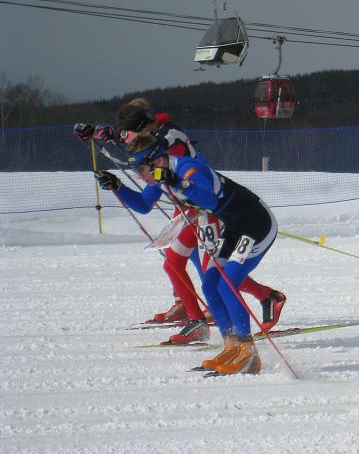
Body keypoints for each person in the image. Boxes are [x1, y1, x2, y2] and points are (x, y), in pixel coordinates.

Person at [76, 98, 285, 343]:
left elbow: (158, 164)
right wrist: (117, 183)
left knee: (213, 272)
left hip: (209, 210)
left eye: (130, 134)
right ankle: (205, 318)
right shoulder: (152, 144)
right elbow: (143, 194)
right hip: (189, 209)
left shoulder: (169, 140)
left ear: (145, 128)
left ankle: (247, 308)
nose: (127, 139)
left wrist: (110, 137)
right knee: (188, 267)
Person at [95, 133, 282, 375]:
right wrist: (118, 186)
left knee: (228, 285)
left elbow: (208, 198)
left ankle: (249, 353)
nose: (140, 175)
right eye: (135, 171)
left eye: (141, 168)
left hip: (257, 224)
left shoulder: (188, 169)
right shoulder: (161, 177)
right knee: (211, 285)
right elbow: (142, 205)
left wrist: (176, 181)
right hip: (235, 228)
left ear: (157, 161)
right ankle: (231, 345)